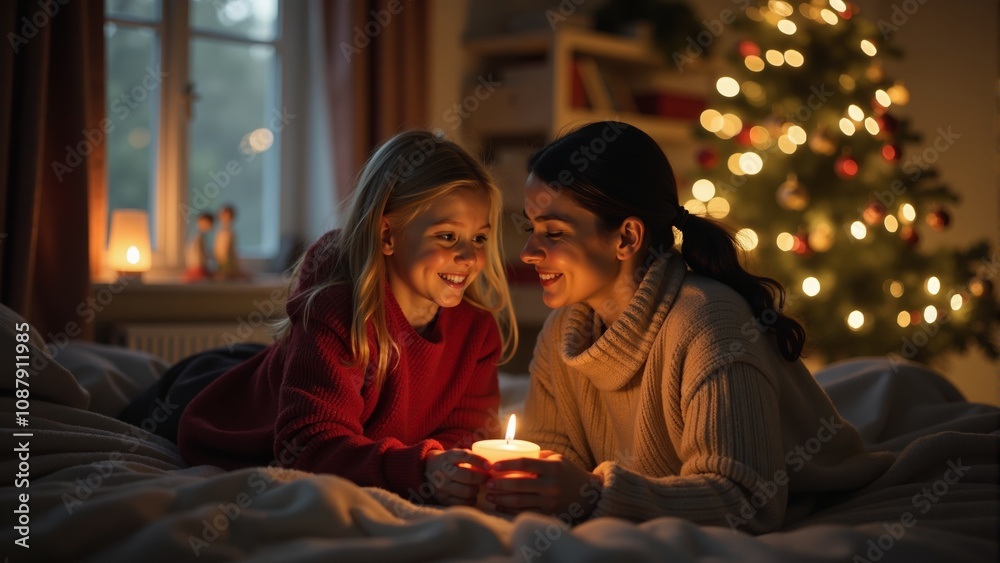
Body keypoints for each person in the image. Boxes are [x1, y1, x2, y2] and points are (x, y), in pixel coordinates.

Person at [484, 121, 894, 533]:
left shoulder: (710, 325)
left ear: (626, 237)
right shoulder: (564, 333)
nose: (529, 252)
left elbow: (747, 501)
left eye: (554, 232)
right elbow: (557, 464)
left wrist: (593, 494)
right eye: (530, 228)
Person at [118, 130, 517, 507]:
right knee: (137, 407)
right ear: (387, 235)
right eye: (447, 236)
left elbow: (467, 434)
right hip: (226, 401)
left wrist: (449, 467)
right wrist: (421, 466)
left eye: (480, 238)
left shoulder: (477, 332)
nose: (469, 257)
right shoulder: (338, 312)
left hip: (277, 368)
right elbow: (308, 445)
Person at [214, 204, 248, 279]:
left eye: (229, 216)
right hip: (225, 263)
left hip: (229, 263)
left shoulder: (229, 231)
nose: (226, 218)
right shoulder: (222, 231)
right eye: (224, 215)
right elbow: (222, 252)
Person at [182, 212, 214, 282]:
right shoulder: (198, 237)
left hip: (194, 268)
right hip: (197, 269)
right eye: (209, 223)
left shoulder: (197, 235)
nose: (210, 226)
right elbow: (198, 255)